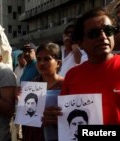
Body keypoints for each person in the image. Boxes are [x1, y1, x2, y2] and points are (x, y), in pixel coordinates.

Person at [43, 7, 120, 138]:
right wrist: (53, 118)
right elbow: (66, 122)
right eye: (94, 34)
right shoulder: (72, 75)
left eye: (108, 30)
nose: (103, 36)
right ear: (80, 43)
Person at [21, 42, 63, 141]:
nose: (41, 63)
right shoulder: (31, 85)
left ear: (58, 63)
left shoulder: (65, 86)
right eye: (39, 59)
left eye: (47, 59)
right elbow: (25, 119)